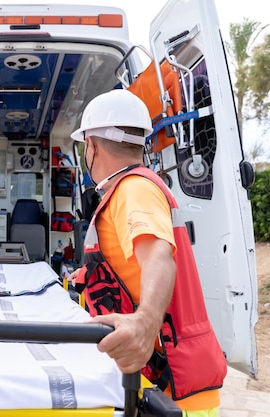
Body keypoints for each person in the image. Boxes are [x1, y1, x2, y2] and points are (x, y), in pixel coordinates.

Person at [69, 89, 227, 416]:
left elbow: (158, 257)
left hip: (172, 391)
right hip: (167, 379)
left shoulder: (134, 189)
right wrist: (86, 276)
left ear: (93, 146)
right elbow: (134, 264)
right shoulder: (135, 188)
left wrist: (144, 322)